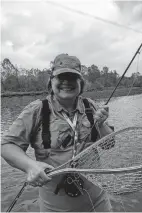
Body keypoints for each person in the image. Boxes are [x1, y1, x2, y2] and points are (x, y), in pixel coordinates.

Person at [1, 53, 114, 212]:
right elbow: (7, 145)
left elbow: (109, 144)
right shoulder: (36, 110)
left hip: (98, 202)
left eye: (72, 77)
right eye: (61, 77)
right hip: (55, 207)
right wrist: (30, 166)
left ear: (81, 83)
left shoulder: (91, 106)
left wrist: (101, 125)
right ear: (51, 81)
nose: (67, 82)